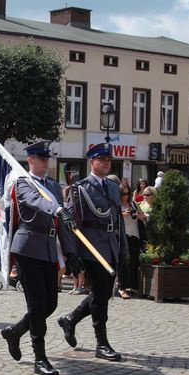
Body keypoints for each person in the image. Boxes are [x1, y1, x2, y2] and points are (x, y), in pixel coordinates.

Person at [0, 141, 78, 375]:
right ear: (30, 161)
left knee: (50, 304)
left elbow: (62, 223)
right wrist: (56, 209)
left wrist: (70, 252)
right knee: (35, 305)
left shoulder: (53, 186)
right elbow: (36, 202)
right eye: (41, 159)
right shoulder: (23, 183)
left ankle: (15, 332)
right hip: (27, 247)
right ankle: (40, 358)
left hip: (47, 249)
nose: (45, 163)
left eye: (47, 159)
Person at [58, 142, 128, 362]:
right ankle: (102, 343)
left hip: (110, 245)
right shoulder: (81, 188)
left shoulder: (113, 188)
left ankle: (70, 319)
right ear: (92, 162)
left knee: (104, 293)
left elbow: (118, 220)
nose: (107, 164)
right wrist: (72, 254)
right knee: (101, 294)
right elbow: (72, 223)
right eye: (102, 160)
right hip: (91, 247)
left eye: (109, 160)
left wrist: (123, 247)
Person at [117, 180, 147, 299]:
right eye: (123, 194)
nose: (126, 196)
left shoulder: (134, 204)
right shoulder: (117, 205)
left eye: (127, 193)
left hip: (135, 235)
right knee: (124, 261)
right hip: (122, 235)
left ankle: (132, 286)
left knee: (134, 261)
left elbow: (144, 218)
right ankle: (121, 287)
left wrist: (137, 216)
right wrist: (122, 215)